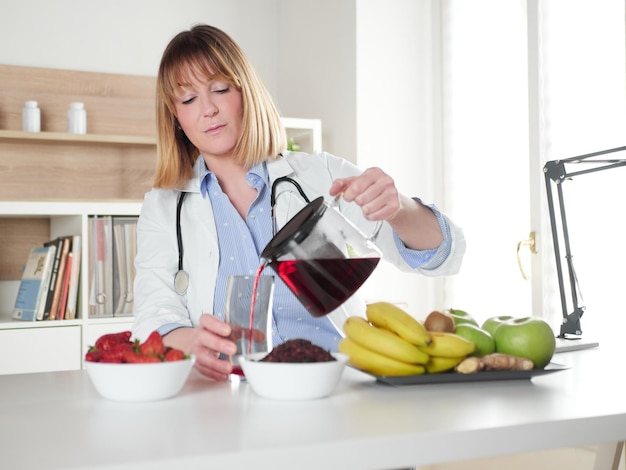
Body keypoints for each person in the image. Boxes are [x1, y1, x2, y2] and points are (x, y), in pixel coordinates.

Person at [132, 24, 465, 381]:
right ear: (176, 117)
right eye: (188, 99)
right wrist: (189, 341)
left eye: (219, 88)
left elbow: (445, 255)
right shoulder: (165, 208)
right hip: (227, 400)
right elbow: (154, 313)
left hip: (334, 387)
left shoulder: (320, 175)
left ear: (245, 92)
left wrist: (398, 208)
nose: (208, 109)